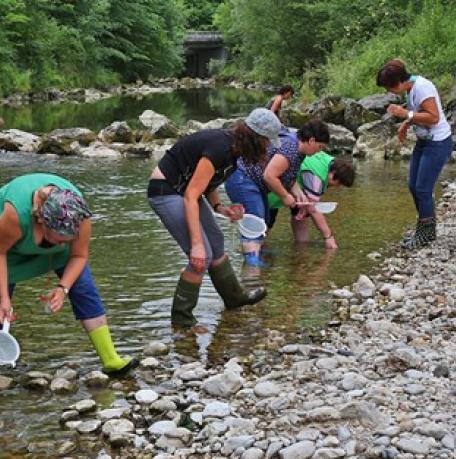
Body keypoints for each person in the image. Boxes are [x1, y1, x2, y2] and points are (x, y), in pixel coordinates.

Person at [0, 173, 137, 384]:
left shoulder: (79, 215)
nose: (62, 244)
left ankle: (111, 359)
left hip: (53, 255)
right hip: (7, 251)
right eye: (59, 239)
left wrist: (63, 287)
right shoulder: (15, 215)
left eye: (67, 240)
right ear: (42, 221)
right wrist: (5, 299)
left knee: (84, 290)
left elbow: (79, 255)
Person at [147, 108, 279, 329]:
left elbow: (206, 185)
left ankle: (234, 298)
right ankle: (182, 321)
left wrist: (221, 207)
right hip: (166, 191)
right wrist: (197, 245)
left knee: (216, 242)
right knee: (202, 256)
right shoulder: (219, 147)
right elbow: (191, 195)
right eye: (267, 143)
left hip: (185, 190)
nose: (267, 149)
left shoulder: (234, 152)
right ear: (256, 138)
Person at [224, 119, 330, 266]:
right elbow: (270, 176)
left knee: (265, 220)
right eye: (320, 146)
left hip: (253, 182)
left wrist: (300, 195)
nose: (319, 151)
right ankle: (251, 269)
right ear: (311, 140)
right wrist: (285, 196)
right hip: (243, 179)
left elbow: (288, 178)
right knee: (256, 221)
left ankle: (255, 253)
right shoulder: (291, 147)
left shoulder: (299, 151)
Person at [376, 58, 453, 248]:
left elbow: (433, 117)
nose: (389, 92)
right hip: (424, 141)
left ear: (399, 82)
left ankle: (426, 234)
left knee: (423, 189)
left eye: (388, 88)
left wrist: (405, 115)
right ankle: (425, 228)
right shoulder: (411, 88)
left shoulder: (422, 87)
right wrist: (406, 123)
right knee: (413, 185)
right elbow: (418, 112)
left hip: (437, 142)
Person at [267, 153, 355, 248]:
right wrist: (328, 237)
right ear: (333, 173)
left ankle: (301, 248)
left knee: (303, 212)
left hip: (286, 182)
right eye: (338, 183)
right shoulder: (316, 178)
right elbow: (313, 209)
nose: (336, 187)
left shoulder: (328, 160)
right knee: (263, 228)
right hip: (271, 191)